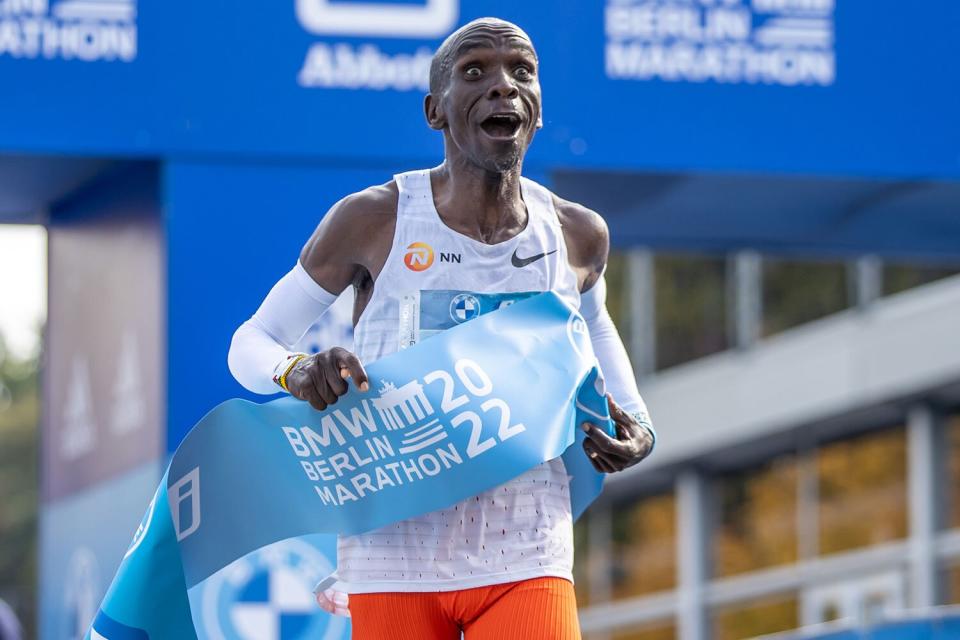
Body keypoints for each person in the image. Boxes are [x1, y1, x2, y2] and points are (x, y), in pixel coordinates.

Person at [228, 17, 655, 639]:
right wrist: (294, 371)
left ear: (538, 112)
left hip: (527, 546)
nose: (503, 86)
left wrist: (638, 422)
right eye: (475, 72)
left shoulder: (576, 233)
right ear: (436, 111)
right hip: (391, 553)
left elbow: (599, 330)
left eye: (522, 72)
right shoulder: (374, 219)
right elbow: (250, 343)